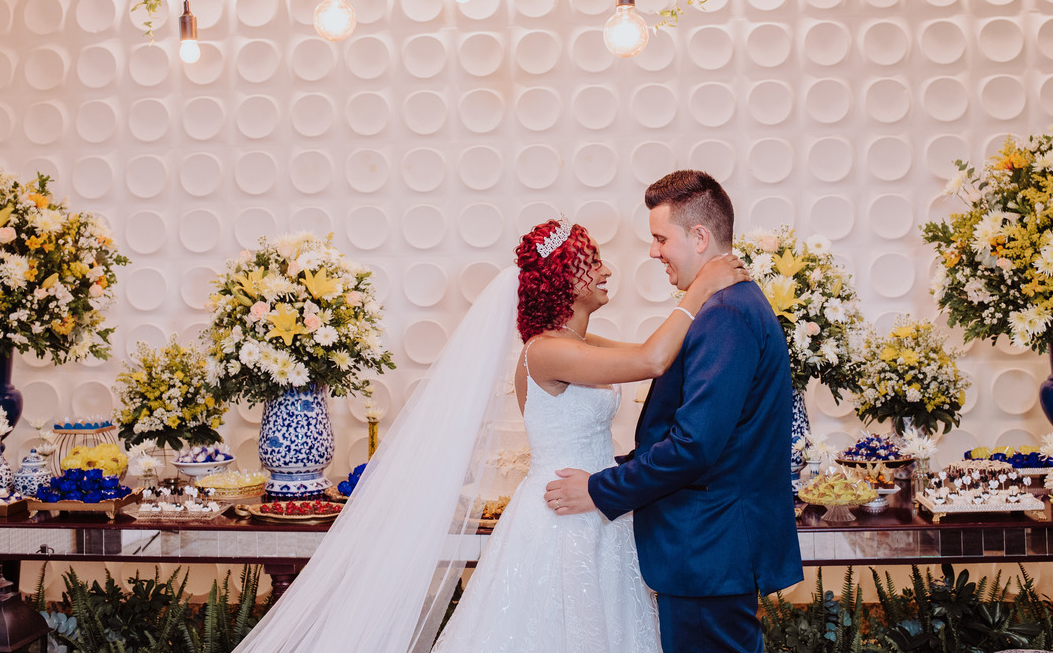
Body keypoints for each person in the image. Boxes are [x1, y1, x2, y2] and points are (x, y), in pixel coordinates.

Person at [231, 217, 746, 653]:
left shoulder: (579, 342)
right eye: (593, 260)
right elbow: (651, 359)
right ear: (565, 278)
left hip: (597, 511)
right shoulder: (546, 350)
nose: (608, 270)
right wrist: (703, 286)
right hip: (559, 519)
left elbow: (662, 357)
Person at [544, 171, 805, 653]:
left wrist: (599, 488)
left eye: (661, 238)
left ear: (700, 237)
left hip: (707, 548)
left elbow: (694, 447)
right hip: (711, 547)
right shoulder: (729, 303)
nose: (652, 251)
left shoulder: (725, 313)